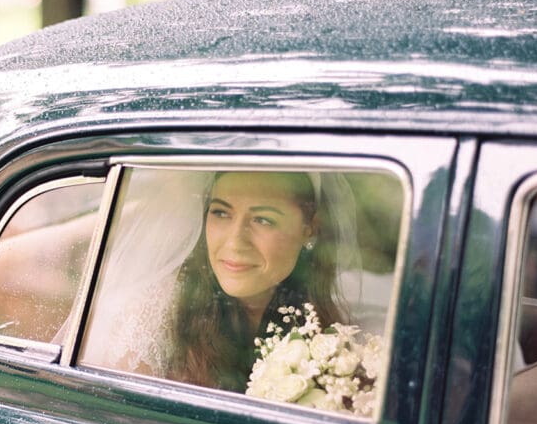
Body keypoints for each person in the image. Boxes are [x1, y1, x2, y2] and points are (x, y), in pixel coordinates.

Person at [80, 168, 358, 392]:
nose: (236, 241)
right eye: (221, 213)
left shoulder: (318, 320)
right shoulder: (153, 316)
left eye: (263, 219)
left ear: (309, 229)